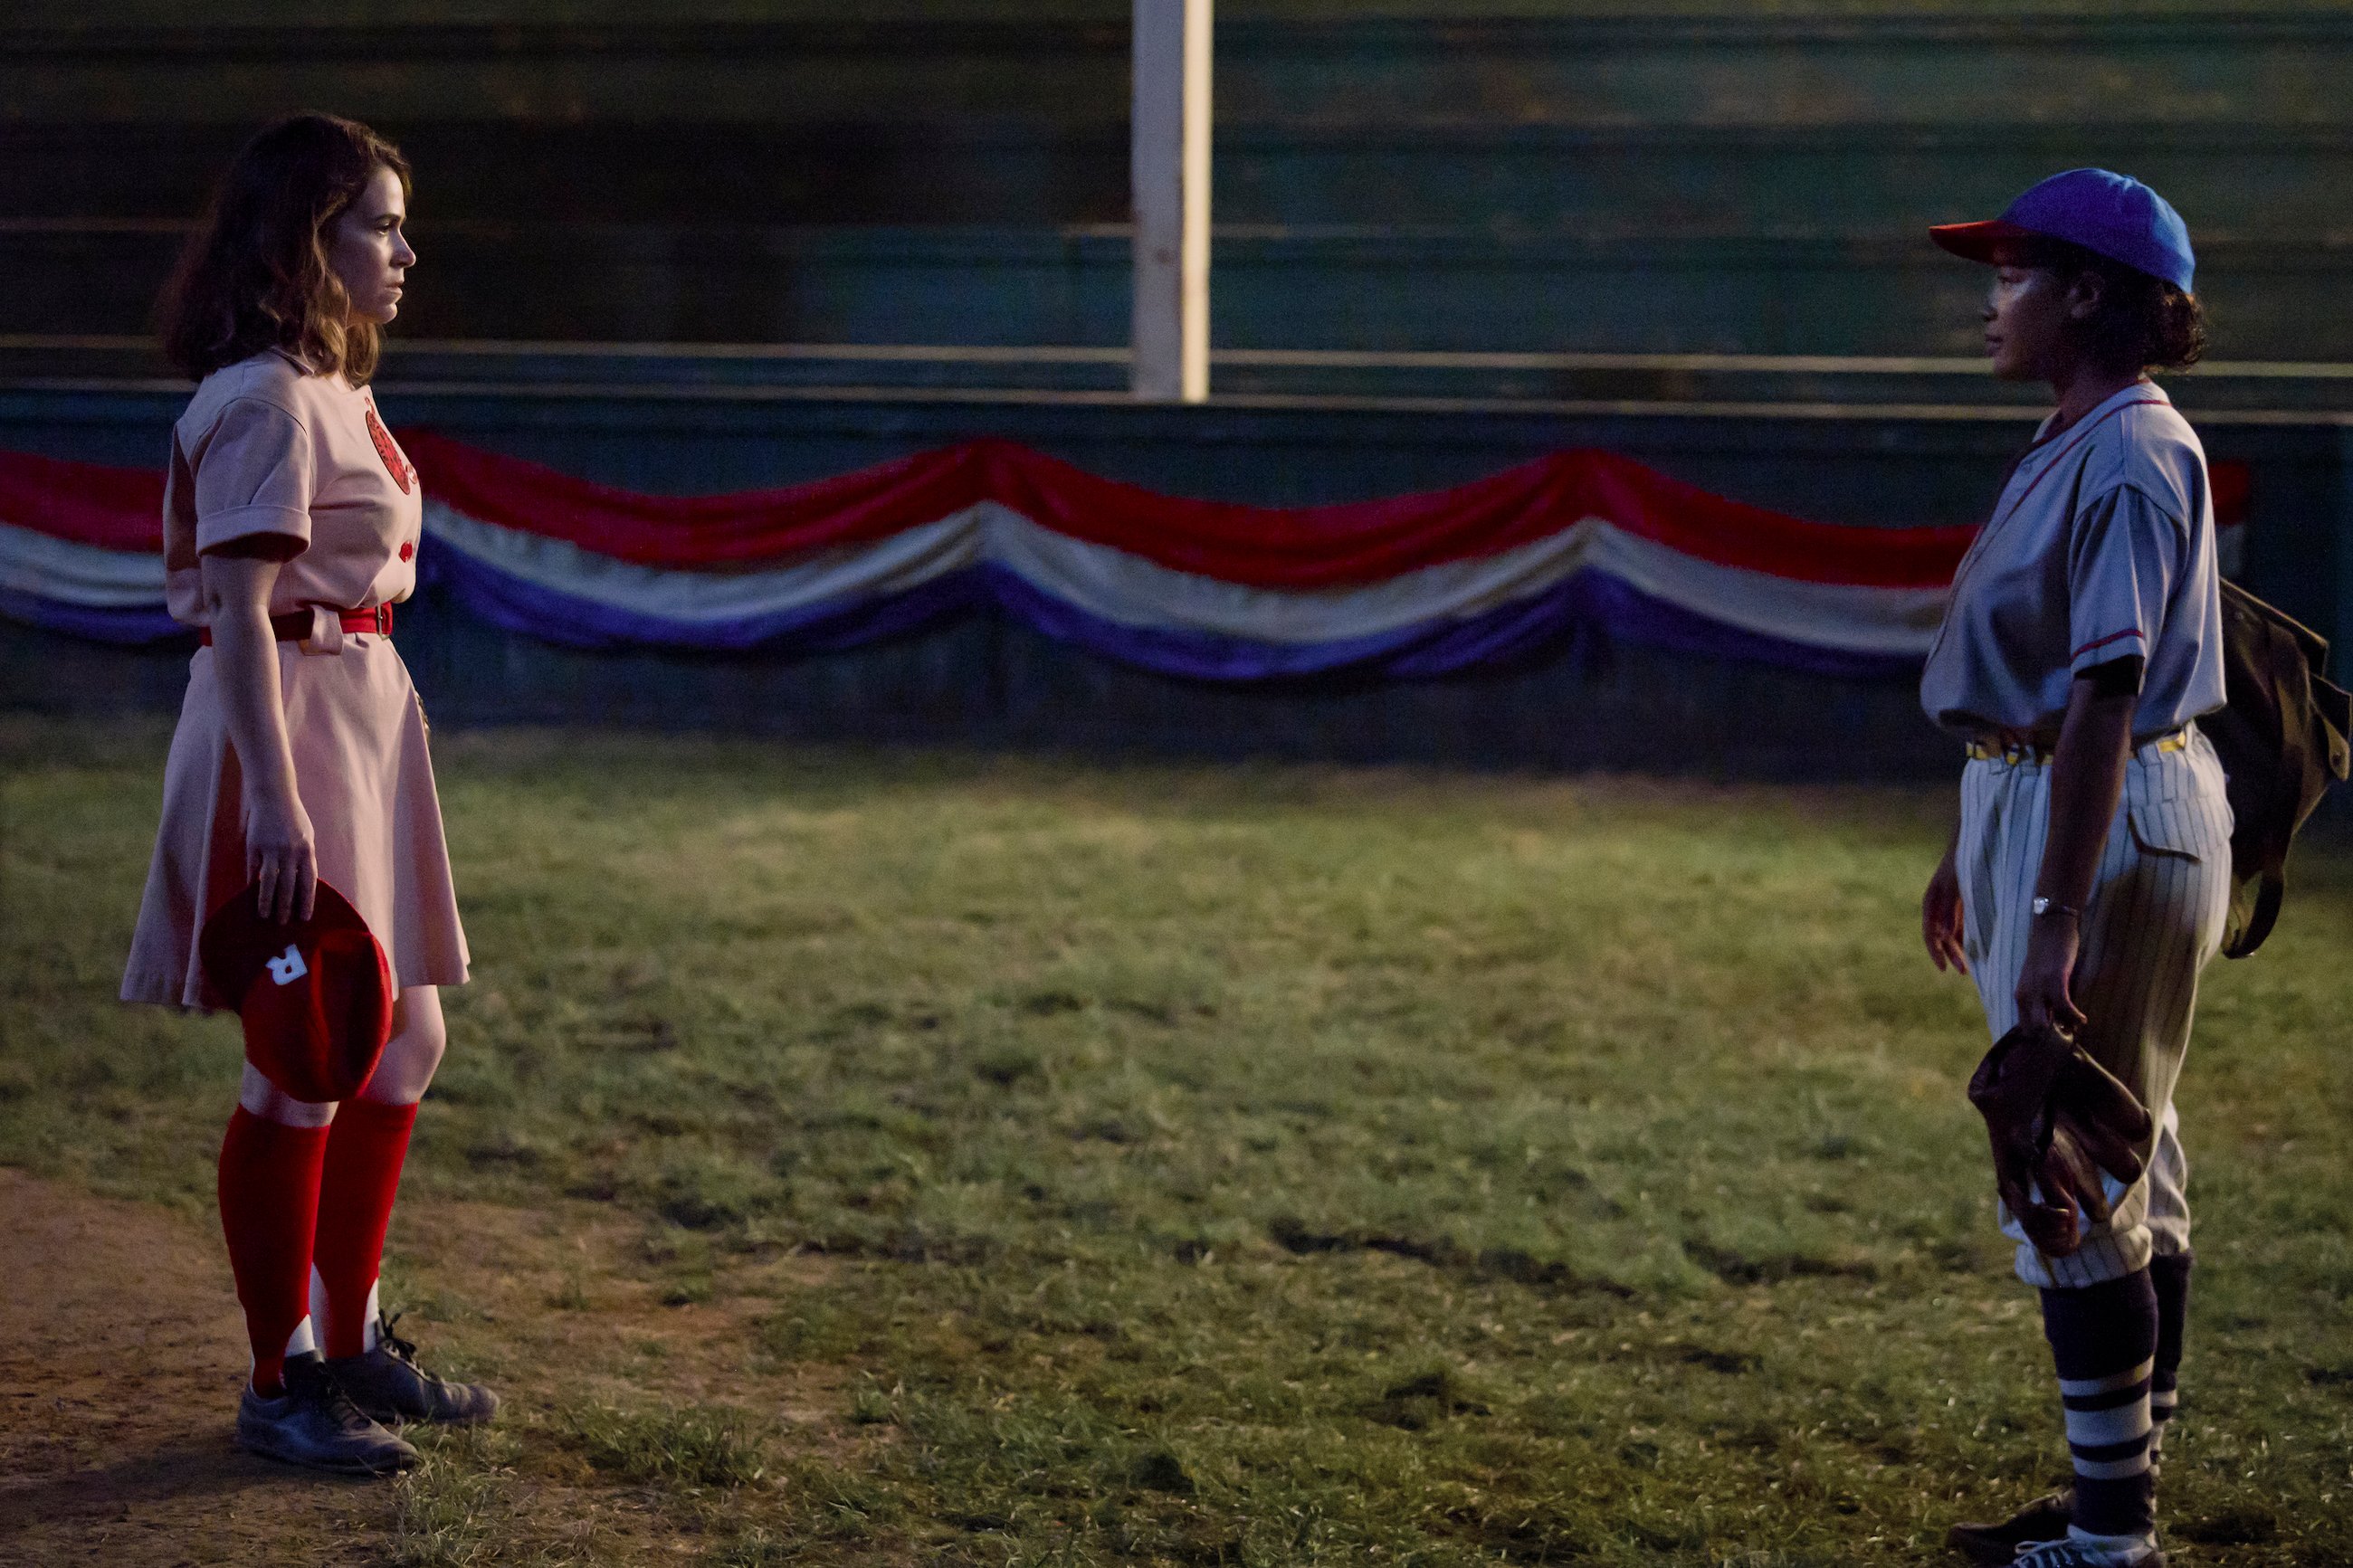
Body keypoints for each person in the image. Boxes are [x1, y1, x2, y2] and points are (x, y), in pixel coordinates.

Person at [122, 114, 495, 1476]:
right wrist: (271, 806)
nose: (405, 248)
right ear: (305, 240)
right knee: (305, 1058)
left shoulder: (328, 382)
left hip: (358, 717)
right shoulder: (267, 398)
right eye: (379, 224)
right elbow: (235, 615)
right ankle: (280, 1379)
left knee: (403, 1041)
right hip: (284, 729)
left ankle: (352, 1338)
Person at [1917, 169, 2225, 1568]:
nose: (1992, 300)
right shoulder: (2086, 432)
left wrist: (2047, 912)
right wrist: (1965, 846)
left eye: (2014, 275)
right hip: (2055, 804)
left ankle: (2113, 1540)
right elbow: (2042, 679)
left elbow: (2106, 691)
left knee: (2066, 1159)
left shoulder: (2130, 450)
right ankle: (2120, 1499)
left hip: (2098, 820)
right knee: (2127, 1157)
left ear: (2090, 293)